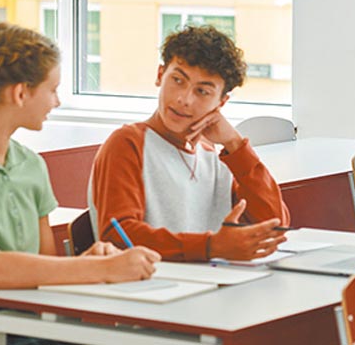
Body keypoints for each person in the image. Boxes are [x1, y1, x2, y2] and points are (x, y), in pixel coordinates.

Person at [0, 23, 159, 345]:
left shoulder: (31, 165)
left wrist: (90, 262)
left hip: (24, 314)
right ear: (20, 93)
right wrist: (104, 270)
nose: (56, 101)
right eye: (53, 89)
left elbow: (45, 268)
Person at [90, 25, 290, 262]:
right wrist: (211, 247)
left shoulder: (213, 155)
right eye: (177, 80)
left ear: (221, 102)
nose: (183, 99)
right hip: (152, 287)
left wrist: (236, 144)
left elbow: (274, 226)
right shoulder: (127, 144)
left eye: (203, 91)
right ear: (159, 75)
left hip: (209, 285)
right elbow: (119, 237)